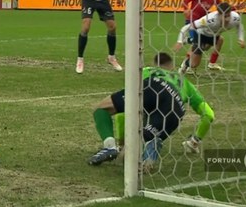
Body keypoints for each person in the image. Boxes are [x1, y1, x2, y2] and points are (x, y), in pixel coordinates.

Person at [87, 53, 215, 172]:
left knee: (102, 109)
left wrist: (121, 142)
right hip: (176, 108)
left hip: (154, 86)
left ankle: (110, 146)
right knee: (144, 143)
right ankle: (150, 145)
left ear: (156, 65)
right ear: (171, 67)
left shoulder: (147, 71)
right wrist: (195, 140)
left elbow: (124, 113)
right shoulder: (185, 83)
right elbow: (209, 114)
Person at [174, 2, 246, 74]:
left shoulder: (235, 17)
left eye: (228, 16)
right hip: (201, 35)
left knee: (219, 40)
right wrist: (179, 41)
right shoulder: (209, 19)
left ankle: (211, 62)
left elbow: (239, 26)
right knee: (194, 64)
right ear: (219, 14)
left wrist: (241, 39)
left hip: (214, 35)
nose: (227, 19)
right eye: (224, 16)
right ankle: (185, 65)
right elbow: (186, 27)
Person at [183, 0, 222, 69]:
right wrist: (186, 9)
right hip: (193, 21)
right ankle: (185, 65)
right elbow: (185, 0)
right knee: (198, 44)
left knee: (218, 41)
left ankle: (212, 63)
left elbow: (221, 8)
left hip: (205, 23)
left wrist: (235, 8)